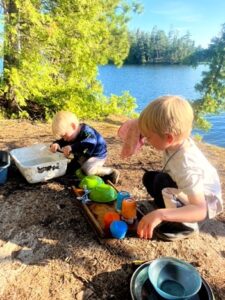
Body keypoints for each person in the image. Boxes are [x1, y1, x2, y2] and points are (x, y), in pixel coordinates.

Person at [136, 95, 223, 241]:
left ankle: (186, 226)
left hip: (203, 205)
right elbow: (148, 128)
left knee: (163, 184)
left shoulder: (187, 167)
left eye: (148, 137)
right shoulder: (175, 140)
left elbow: (199, 209)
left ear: (168, 138)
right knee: (151, 179)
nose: (145, 140)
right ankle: (171, 209)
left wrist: (160, 214)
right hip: (187, 191)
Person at [50, 111, 120, 184]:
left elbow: (91, 142)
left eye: (65, 136)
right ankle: (75, 172)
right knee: (70, 168)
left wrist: (72, 147)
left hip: (96, 156)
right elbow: (62, 141)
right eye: (62, 137)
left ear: (73, 126)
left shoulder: (87, 132)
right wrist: (56, 144)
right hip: (83, 155)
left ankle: (110, 172)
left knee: (87, 169)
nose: (64, 139)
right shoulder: (70, 133)